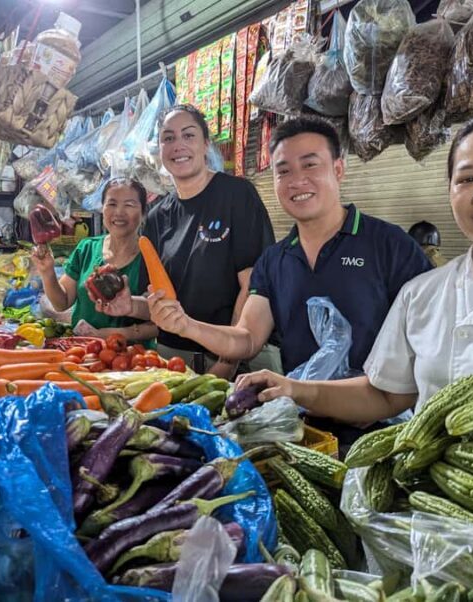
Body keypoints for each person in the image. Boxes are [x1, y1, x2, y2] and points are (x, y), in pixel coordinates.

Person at [234, 106, 473, 441]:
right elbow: (385, 394)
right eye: (467, 178)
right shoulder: (424, 294)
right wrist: (292, 388)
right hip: (436, 504)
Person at [147, 115, 431, 441]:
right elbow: (247, 339)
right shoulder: (275, 260)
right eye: (283, 171)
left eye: (310, 165)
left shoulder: (390, 246)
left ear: (338, 169)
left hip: (387, 434)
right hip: (303, 433)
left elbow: (428, 346)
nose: (297, 181)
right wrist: (186, 326)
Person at [93, 104, 276, 378]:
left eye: (188, 136)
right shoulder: (157, 216)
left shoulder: (237, 195)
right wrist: (130, 306)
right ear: (161, 149)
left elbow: (252, 286)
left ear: (205, 144)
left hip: (227, 358)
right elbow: (157, 302)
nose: (178, 145)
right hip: (170, 360)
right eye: (168, 138)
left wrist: (227, 361)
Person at [31, 177, 158, 344]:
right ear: (102, 209)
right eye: (111, 204)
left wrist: (119, 334)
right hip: (84, 353)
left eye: (129, 205)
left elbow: (160, 320)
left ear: (142, 213)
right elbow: (61, 303)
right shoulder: (87, 249)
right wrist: (47, 272)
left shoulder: (152, 257)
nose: (119, 212)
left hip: (133, 359)